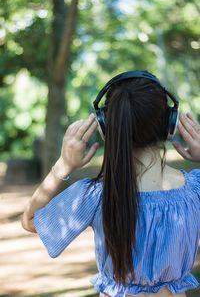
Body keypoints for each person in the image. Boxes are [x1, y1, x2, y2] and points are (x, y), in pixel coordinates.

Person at [21, 75, 200, 297]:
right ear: (170, 124)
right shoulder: (194, 190)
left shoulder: (96, 195)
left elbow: (30, 220)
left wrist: (63, 165)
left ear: (107, 127)